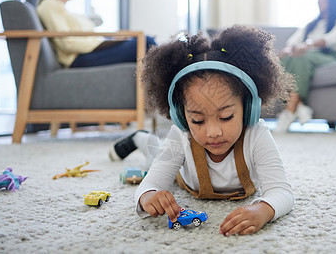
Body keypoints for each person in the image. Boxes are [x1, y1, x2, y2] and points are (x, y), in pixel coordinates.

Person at [109, 25, 295, 236]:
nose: (213, 132)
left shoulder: (257, 135)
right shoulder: (180, 137)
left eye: (226, 117)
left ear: (249, 108)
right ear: (181, 115)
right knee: (153, 155)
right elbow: (149, 184)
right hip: (180, 173)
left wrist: (263, 209)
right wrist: (149, 195)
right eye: (197, 120)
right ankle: (140, 138)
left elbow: (281, 191)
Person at [36, 0, 156, 68]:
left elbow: (82, 38)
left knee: (143, 42)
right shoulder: (48, 5)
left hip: (87, 54)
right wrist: (104, 43)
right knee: (146, 42)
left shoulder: (63, 9)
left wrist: (110, 40)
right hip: (79, 59)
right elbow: (66, 43)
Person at [275, 0, 336, 133]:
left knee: (302, 57)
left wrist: (307, 45)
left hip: (332, 57)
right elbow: (293, 40)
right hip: (308, 56)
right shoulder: (311, 25)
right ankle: (301, 106)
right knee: (285, 60)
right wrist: (288, 50)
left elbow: (329, 40)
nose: (319, 0)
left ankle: (289, 112)